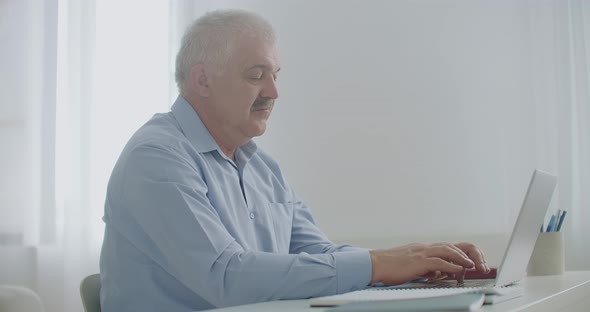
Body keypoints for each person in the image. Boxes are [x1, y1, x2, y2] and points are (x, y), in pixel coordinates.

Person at [99, 9, 490, 311]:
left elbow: (317, 255)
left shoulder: (262, 168)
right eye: (256, 75)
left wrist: (415, 264)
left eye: (275, 75)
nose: (274, 91)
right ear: (202, 81)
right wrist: (377, 263)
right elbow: (225, 277)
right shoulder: (156, 158)